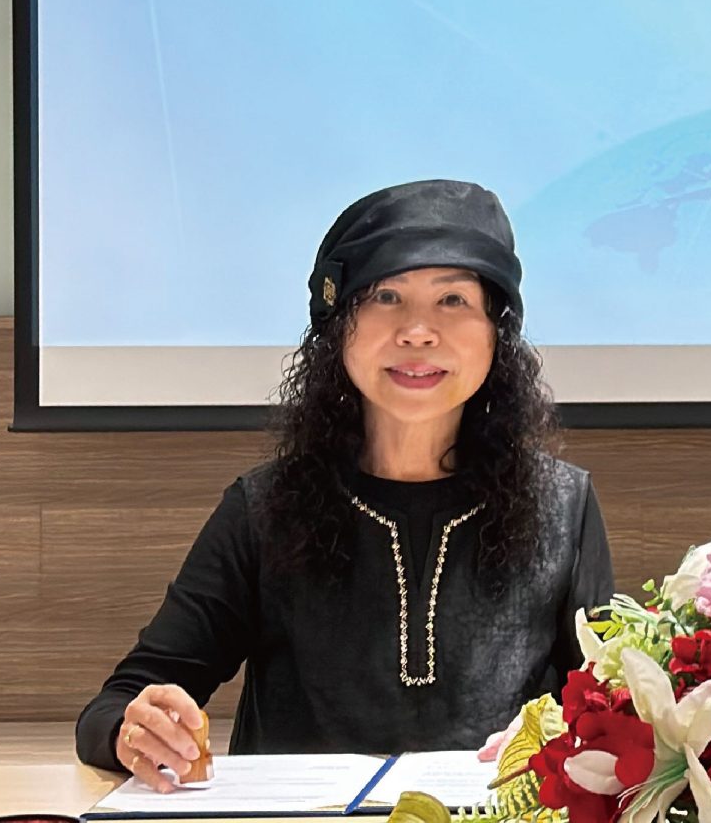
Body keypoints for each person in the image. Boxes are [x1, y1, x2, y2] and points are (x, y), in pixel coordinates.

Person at [77, 180, 614, 792]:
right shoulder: (264, 508)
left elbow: (611, 712)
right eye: (386, 295)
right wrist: (136, 729)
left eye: (453, 299)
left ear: (498, 331)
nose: (418, 331)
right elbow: (115, 705)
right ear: (338, 326)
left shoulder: (564, 507)